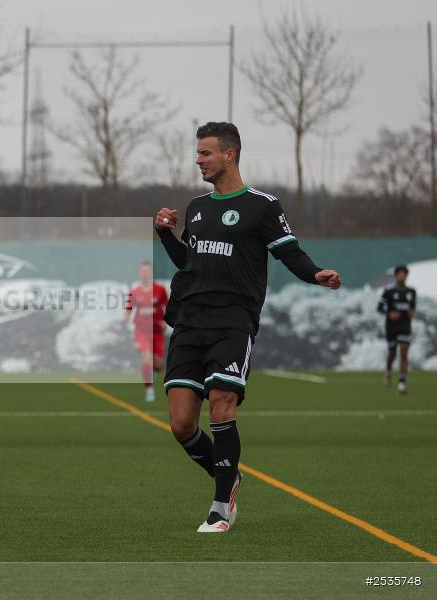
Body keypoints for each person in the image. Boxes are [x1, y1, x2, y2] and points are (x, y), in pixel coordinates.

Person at [155, 122, 342, 533]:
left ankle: (222, 506)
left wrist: (315, 275)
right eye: (197, 153)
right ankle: (228, 476)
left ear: (230, 154)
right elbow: (189, 261)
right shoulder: (198, 208)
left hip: (233, 321)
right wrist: (164, 235)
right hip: (189, 321)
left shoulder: (263, 205)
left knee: (222, 401)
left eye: (205, 153)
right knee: (182, 424)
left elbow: (288, 251)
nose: (198, 160)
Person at [122, 261, 168, 402]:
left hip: (157, 332)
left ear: (151, 272)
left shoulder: (160, 289)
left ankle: (152, 371)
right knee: (147, 357)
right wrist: (124, 319)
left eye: (147, 270)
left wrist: (166, 321)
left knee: (159, 366)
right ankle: (149, 390)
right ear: (139, 273)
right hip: (141, 331)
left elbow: (169, 307)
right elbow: (128, 309)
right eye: (143, 271)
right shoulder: (135, 291)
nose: (145, 273)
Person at [377, 265, 416, 394]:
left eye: (404, 274)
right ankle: (388, 371)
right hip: (392, 326)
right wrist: (390, 313)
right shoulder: (389, 291)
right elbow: (380, 307)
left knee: (404, 351)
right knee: (392, 353)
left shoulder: (411, 291)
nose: (402, 276)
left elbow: (412, 307)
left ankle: (402, 382)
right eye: (400, 274)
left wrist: (411, 312)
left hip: (405, 325)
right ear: (396, 276)